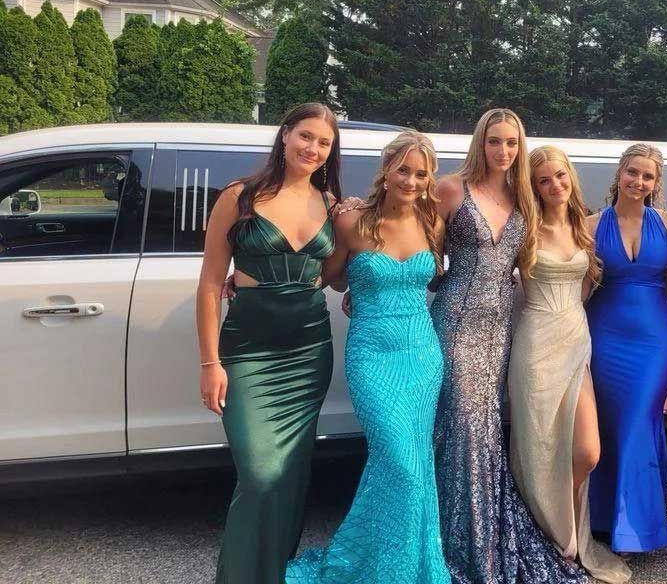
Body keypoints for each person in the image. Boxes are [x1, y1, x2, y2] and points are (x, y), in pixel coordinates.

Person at [286, 131, 450, 584]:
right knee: (399, 460)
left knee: (412, 461)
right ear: (386, 169)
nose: (411, 180)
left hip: (422, 355)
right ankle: (385, 568)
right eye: (403, 169)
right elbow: (329, 277)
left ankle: (399, 564)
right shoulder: (352, 223)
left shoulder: (434, 223)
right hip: (373, 355)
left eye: (421, 173)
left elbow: (437, 277)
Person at [432, 109, 585, 584]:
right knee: (464, 429)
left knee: (490, 430)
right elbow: (417, 243)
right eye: (495, 141)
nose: (503, 151)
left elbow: (562, 240)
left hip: (503, 328)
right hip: (457, 321)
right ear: (481, 142)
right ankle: (459, 545)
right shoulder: (450, 188)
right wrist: (367, 272)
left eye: (512, 143)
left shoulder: (525, 197)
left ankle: (483, 534)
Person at [197, 102, 342, 584]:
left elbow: (330, 276)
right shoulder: (237, 197)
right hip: (249, 350)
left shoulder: (332, 203)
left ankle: (273, 572)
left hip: (308, 350)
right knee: (259, 474)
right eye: (306, 136)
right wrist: (210, 362)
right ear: (284, 135)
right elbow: (209, 283)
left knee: (289, 477)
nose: (313, 149)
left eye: (324, 142)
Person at [508, 146, 632, 584]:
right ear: (534, 187)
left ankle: (568, 530)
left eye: (559, 176)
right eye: (543, 180)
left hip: (576, 343)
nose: (554, 185)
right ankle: (553, 538)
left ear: (570, 177)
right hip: (535, 345)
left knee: (586, 451)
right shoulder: (522, 228)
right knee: (539, 450)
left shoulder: (585, 227)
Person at [585, 143, 667, 554]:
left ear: (656, 183)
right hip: (605, 334)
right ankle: (605, 519)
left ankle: (638, 528)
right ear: (619, 172)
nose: (639, 182)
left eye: (648, 176)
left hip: (655, 337)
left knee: (640, 418)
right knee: (610, 422)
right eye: (633, 172)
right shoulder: (590, 224)